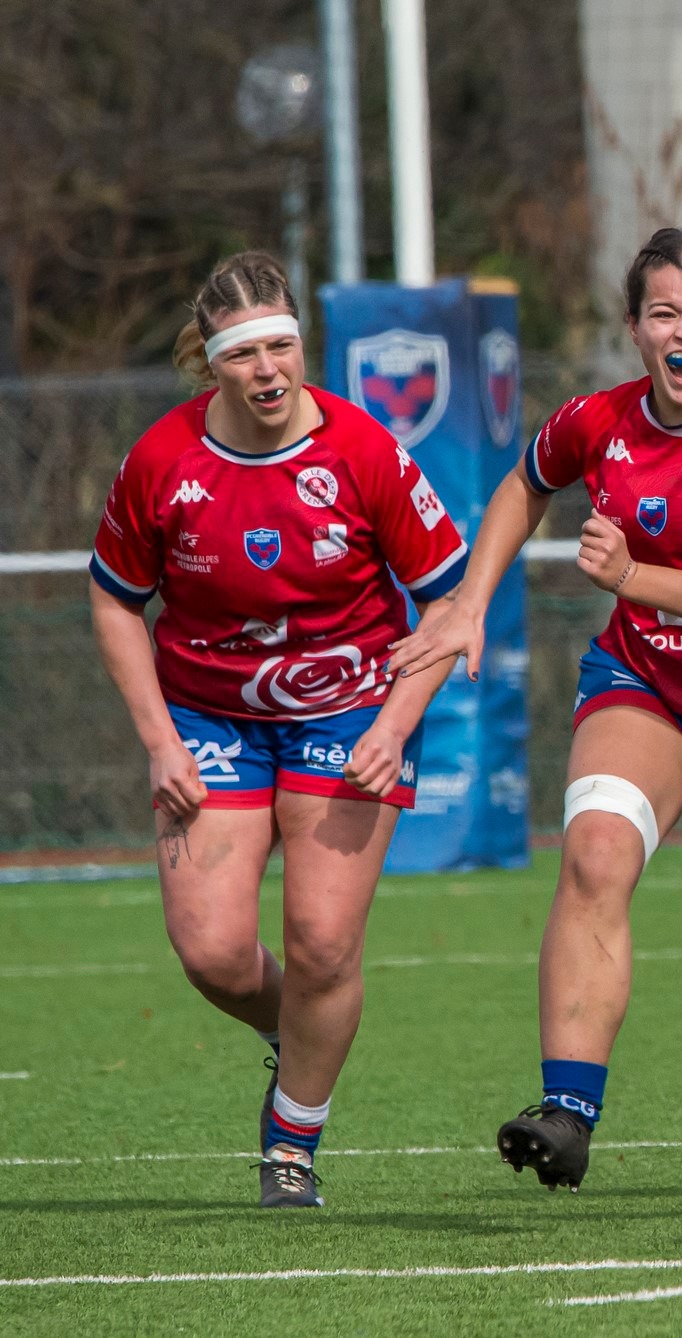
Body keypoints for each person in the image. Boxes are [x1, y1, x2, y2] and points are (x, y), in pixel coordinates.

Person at [387, 228, 682, 1192]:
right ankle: (567, 1110)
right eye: (664, 314)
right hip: (645, 679)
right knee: (596, 854)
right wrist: (469, 600)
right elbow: (527, 480)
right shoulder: (598, 421)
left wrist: (634, 574)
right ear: (634, 328)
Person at [89, 251, 469, 1208]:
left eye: (281, 346)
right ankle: (295, 1032)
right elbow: (112, 602)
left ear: (305, 346)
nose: (267, 370)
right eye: (243, 353)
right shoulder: (162, 462)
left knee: (323, 942)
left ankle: (292, 1141)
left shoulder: (365, 451)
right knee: (213, 951)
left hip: (347, 710)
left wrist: (397, 721)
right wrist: (159, 742)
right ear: (208, 362)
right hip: (209, 714)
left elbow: (448, 601)